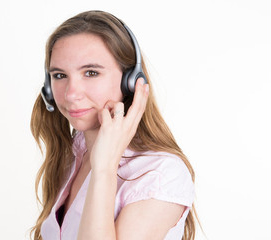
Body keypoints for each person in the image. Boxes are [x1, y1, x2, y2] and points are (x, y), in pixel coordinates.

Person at [30, 10, 197, 240]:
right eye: (59, 75)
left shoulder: (161, 174)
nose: (71, 94)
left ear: (130, 81)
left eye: (91, 72)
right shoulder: (74, 152)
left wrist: (104, 169)